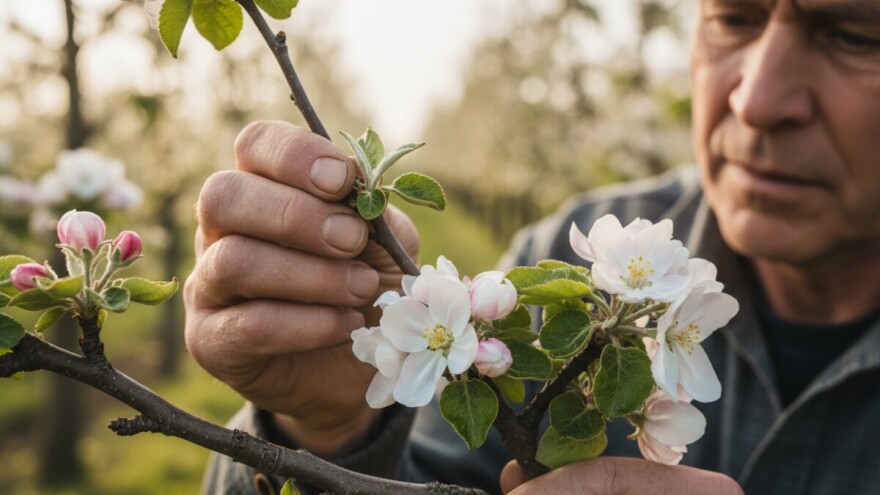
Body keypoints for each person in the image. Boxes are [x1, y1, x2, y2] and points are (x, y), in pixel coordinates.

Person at [184, 0, 880, 493]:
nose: (756, 100)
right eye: (733, 17)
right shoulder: (568, 269)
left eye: (853, 35)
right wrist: (326, 429)